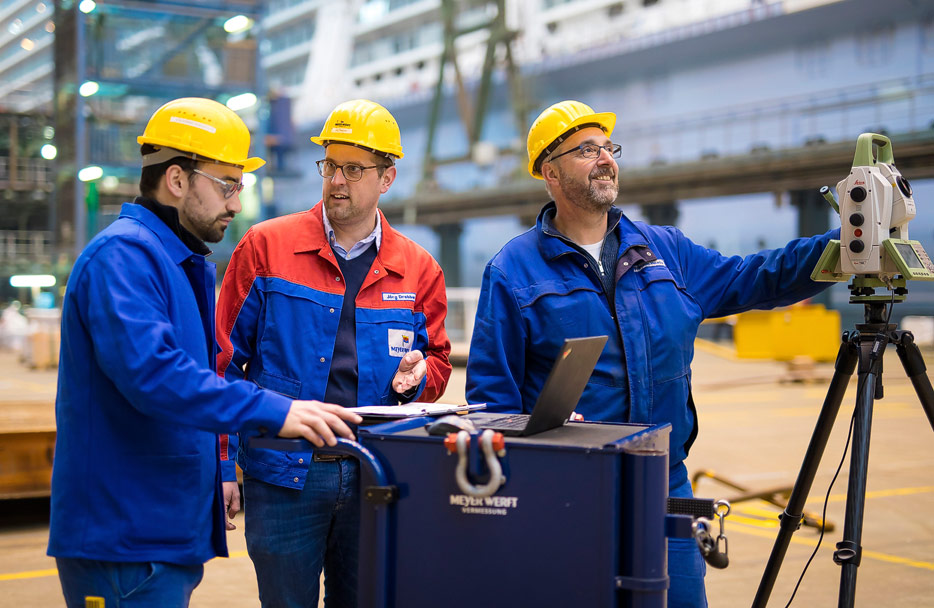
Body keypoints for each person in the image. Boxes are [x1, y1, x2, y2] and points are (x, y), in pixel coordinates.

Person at [464, 100, 839, 608]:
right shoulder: (513, 270)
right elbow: (492, 402)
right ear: (549, 173)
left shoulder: (665, 250)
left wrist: (847, 247)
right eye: (586, 150)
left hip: (664, 483)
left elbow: (755, 276)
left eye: (608, 148)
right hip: (566, 491)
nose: (605, 159)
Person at [47, 97, 362, 608]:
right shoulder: (123, 257)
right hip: (124, 538)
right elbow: (155, 375)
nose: (236, 203)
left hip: (158, 531)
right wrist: (276, 410)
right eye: (227, 185)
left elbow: (201, 378)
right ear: (176, 179)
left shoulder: (176, 262)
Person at [216, 98, 452, 607]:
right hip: (282, 476)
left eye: (353, 168)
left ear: (386, 178)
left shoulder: (419, 269)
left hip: (376, 472)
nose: (337, 180)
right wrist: (221, 466)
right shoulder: (265, 248)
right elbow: (221, 364)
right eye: (330, 165)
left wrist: (420, 376)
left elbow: (438, 362)